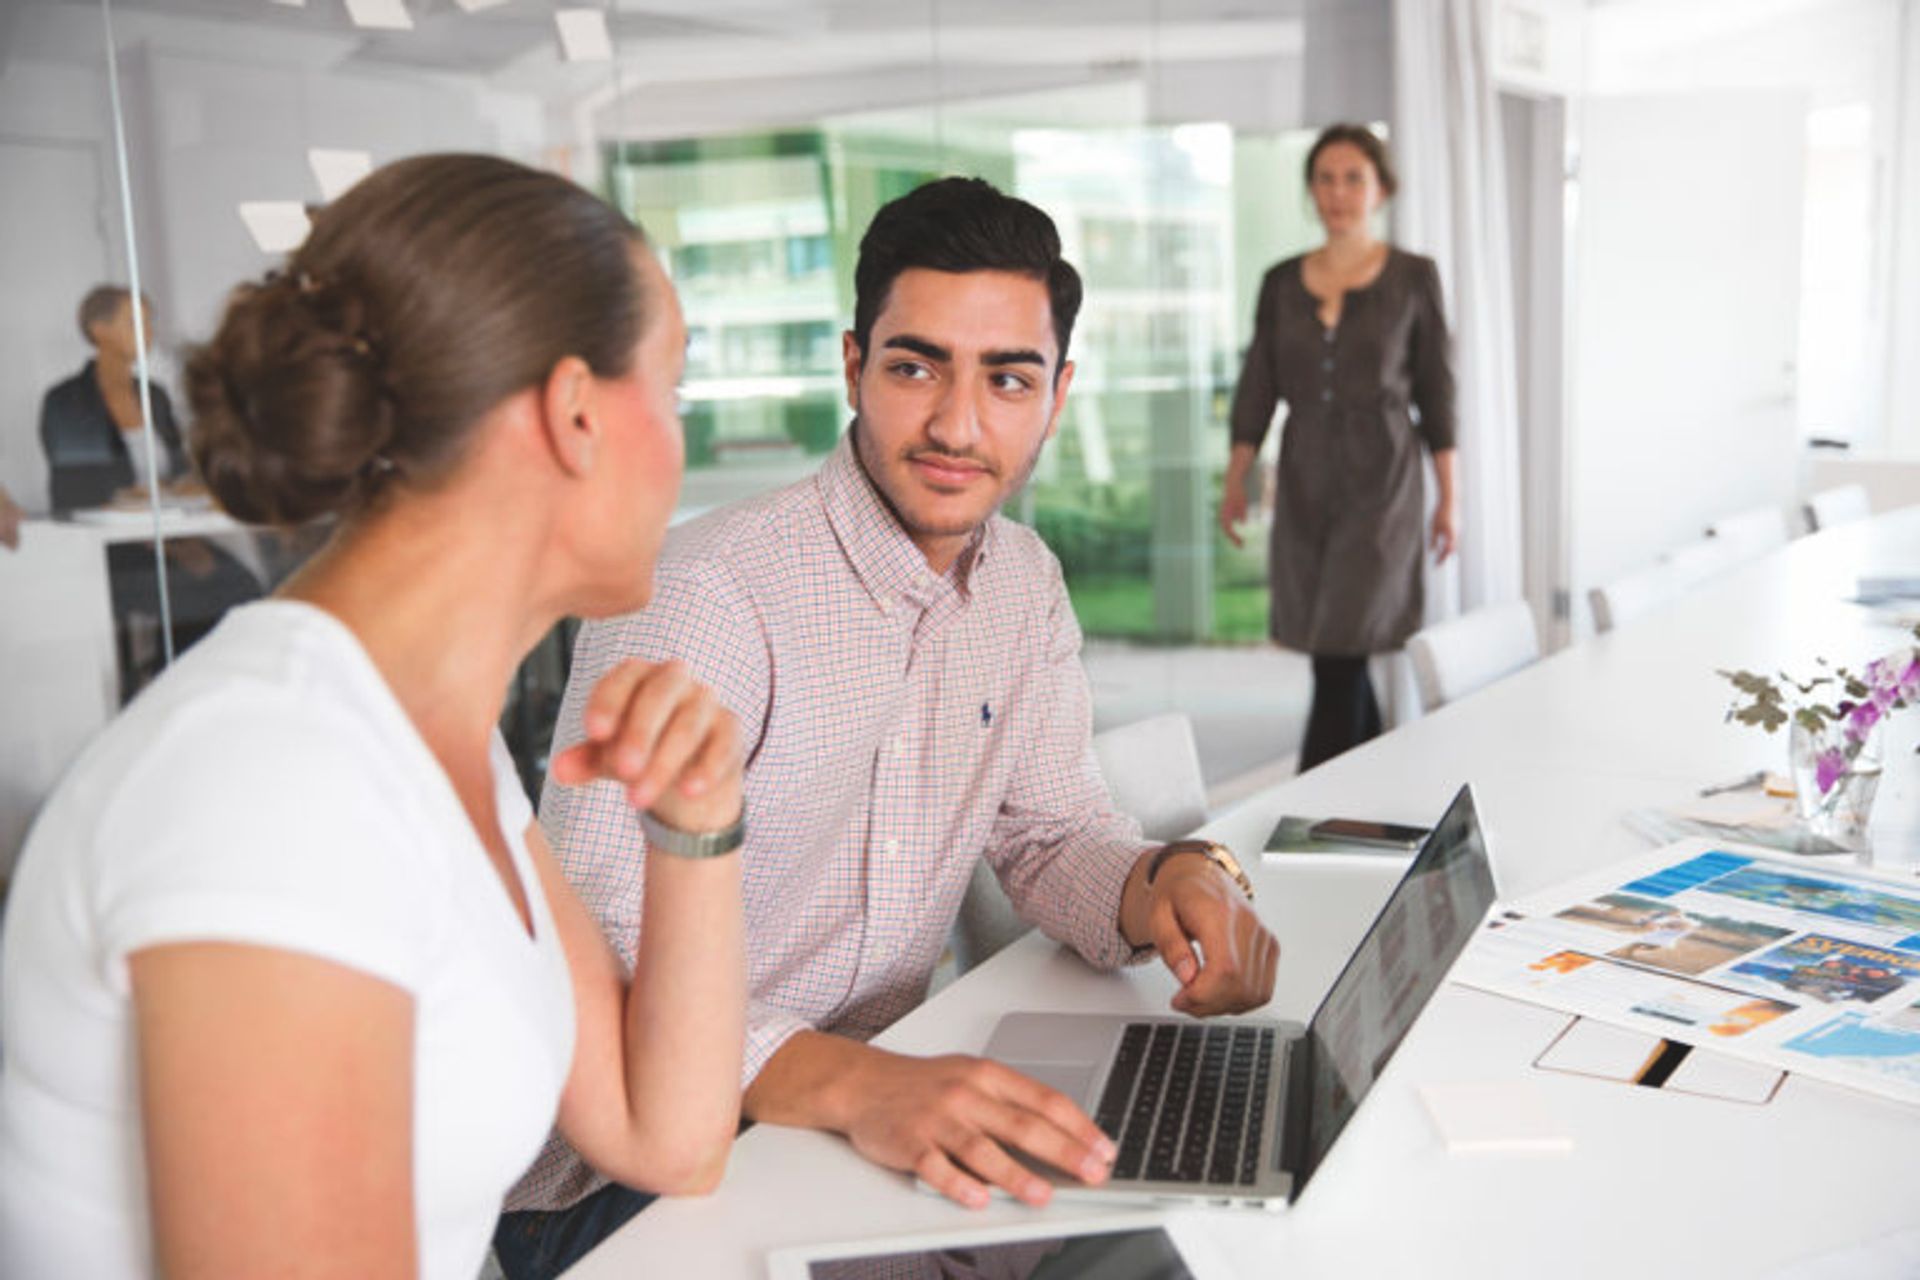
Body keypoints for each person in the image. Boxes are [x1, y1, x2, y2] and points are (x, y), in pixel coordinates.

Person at [500, 176, 1280, 1276]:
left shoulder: (1021, 582)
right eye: (916, 367)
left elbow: (1050, 834)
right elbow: (600, 965)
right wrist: (859, 1083)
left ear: (1056, 394)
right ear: (854, 365)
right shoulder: (710, 594)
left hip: (875, 1106)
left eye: (1006, 379)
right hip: (625, 1186)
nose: (959, 425)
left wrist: (1167, 884)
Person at [0, 154, 748, 1279]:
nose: (683, 441)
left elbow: (668, 1135)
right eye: (675, 388)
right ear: (577, 412)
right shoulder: (276, 790)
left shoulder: (432, 742)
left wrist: (696, 824)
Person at [1219, 123, 1458, 771]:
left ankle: (1306, 814)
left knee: (1340, 654)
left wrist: (1448, 500)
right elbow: (1258, 385)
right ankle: (1379, 795)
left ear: (1381, 188)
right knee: (1337, 646)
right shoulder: (1279, 283)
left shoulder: (1413, 278)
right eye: (1325, 178)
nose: (1339, 192)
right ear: (1310, 191)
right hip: (1305, 479)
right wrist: (1236, 476)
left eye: (1354, 177)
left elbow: (1439, 393)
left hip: (1384, 482)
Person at [39, 285, 262, 688]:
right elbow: (75, 491)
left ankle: (211, 684)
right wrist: (166, 540)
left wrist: (189, 495)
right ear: (99, 330)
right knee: (198, 590)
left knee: (244, 584)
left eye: (149, 321)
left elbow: (177, 471)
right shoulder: (66, 401)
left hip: (168, 534)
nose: (148, 331)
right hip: (114, 549)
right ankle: (177, 685)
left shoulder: (154, 397)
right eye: (134, 321)